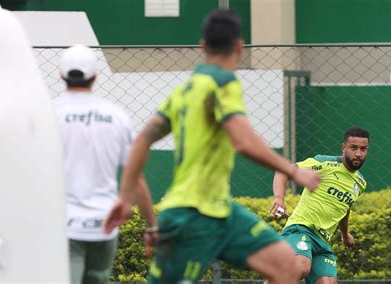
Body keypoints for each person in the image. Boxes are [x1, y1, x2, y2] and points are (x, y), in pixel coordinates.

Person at [104, 9, 321, 284]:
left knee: (287, 268)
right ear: (240, 47)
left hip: (221, 212)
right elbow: (243, 141)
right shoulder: (223, 82)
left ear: (202, 46)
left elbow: (141, 142)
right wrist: (293, 170)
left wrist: (124, 198)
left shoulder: (183, 92)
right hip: (189, 215)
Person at [55, 44, 156, 284]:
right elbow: (136, 177)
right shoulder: (116, 116)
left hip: (63, 225)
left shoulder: (47, 113)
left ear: (61, 75)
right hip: (105, 224)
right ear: (95, 77)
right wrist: (152, 226)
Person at [269, 126, 369, 284]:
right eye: (353, 148)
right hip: (302, 228)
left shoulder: (360, 183)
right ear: (344, 148)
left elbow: (344, 208)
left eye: (363, 149)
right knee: (300, 267)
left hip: (323, 242)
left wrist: (344, 235)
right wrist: (279, 198)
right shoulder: (324, 163)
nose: (358, 153)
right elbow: (283, 171)